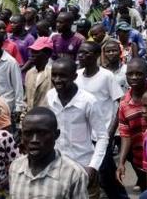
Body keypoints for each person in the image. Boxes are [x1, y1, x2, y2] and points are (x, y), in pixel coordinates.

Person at [46, 57, 109, 199]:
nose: (57, 80)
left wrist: (93, 166)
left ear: (74, 77)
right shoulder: (50, 97)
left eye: (62, 76)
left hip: (83, 166)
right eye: (54, 75)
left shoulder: (88, 101)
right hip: (57, 167)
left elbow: (102, 137)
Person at [74, 41, 126, 198]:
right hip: (83, 135)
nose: (81, 56)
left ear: (97, 56)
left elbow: (119, 104)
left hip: (101, 134)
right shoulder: (76, 76)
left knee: (105, 172)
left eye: (86, 53)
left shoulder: (106, 76)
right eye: (80, 52)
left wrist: (110, 131)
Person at [9, 106, 90, 198]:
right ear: (21, 135)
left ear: (56, 135)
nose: (34, 140)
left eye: (42, 133)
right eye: (28, 134)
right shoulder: (15, 167)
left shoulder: (74, 174)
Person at [116, 58, 147, 192]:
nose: (134, 77)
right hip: (139, 159)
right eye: (130, 74)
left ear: (146, 75)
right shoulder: (124, 102)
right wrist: (121, 162)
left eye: (139, 74)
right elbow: (125, 135)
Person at [24, 36, 54, 111]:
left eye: (36, 52)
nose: (32, 54)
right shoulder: (29, 73)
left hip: (46, 117)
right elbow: (26, 99)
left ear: (47, 54)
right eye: (32, 51)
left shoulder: (53, 73)